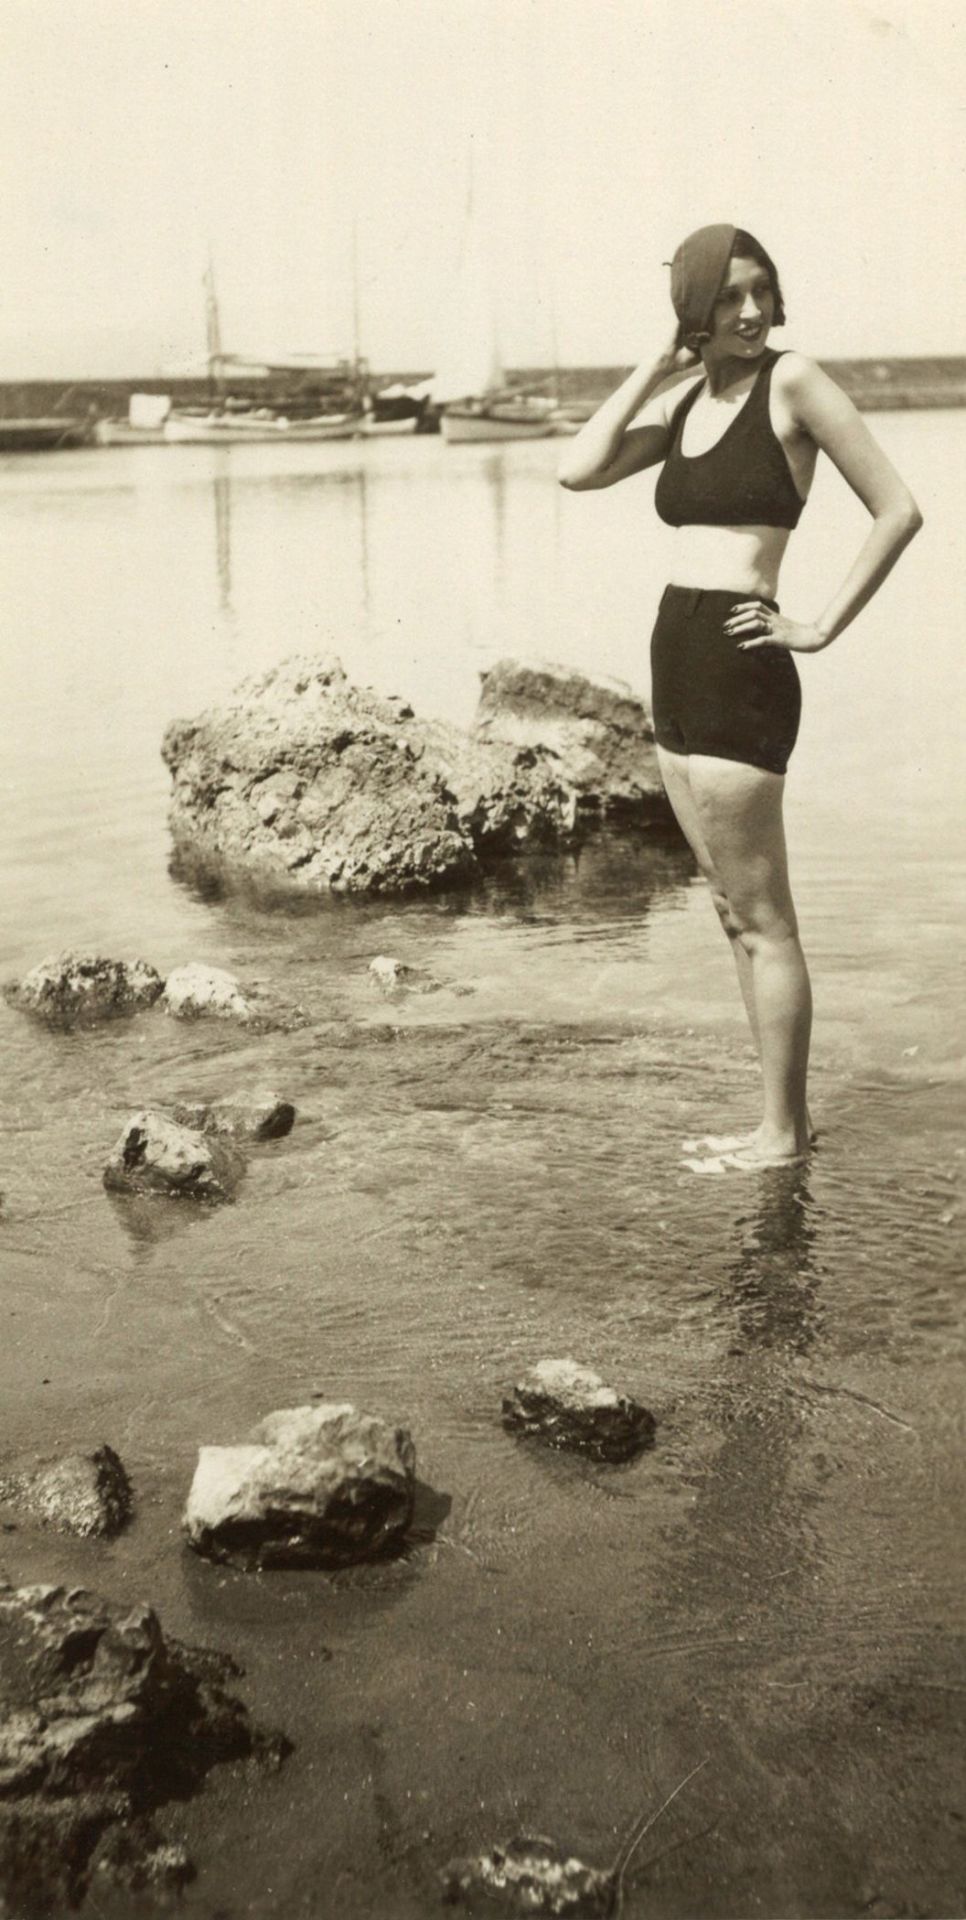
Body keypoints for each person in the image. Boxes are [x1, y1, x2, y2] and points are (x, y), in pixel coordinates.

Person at [559, 223, 922, 1170]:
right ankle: (779, 1124)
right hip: (675, 656)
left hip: (739, 659)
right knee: (730, 911)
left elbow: (899, 508)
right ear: (693, 309)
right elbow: (577, 468)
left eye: (761, 290)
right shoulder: (688, 399)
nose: (752, 311)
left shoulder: (793, 383)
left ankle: (782, 1137)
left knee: (764, 919)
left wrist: (820, 625)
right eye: (728, 297)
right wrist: (657, 361)